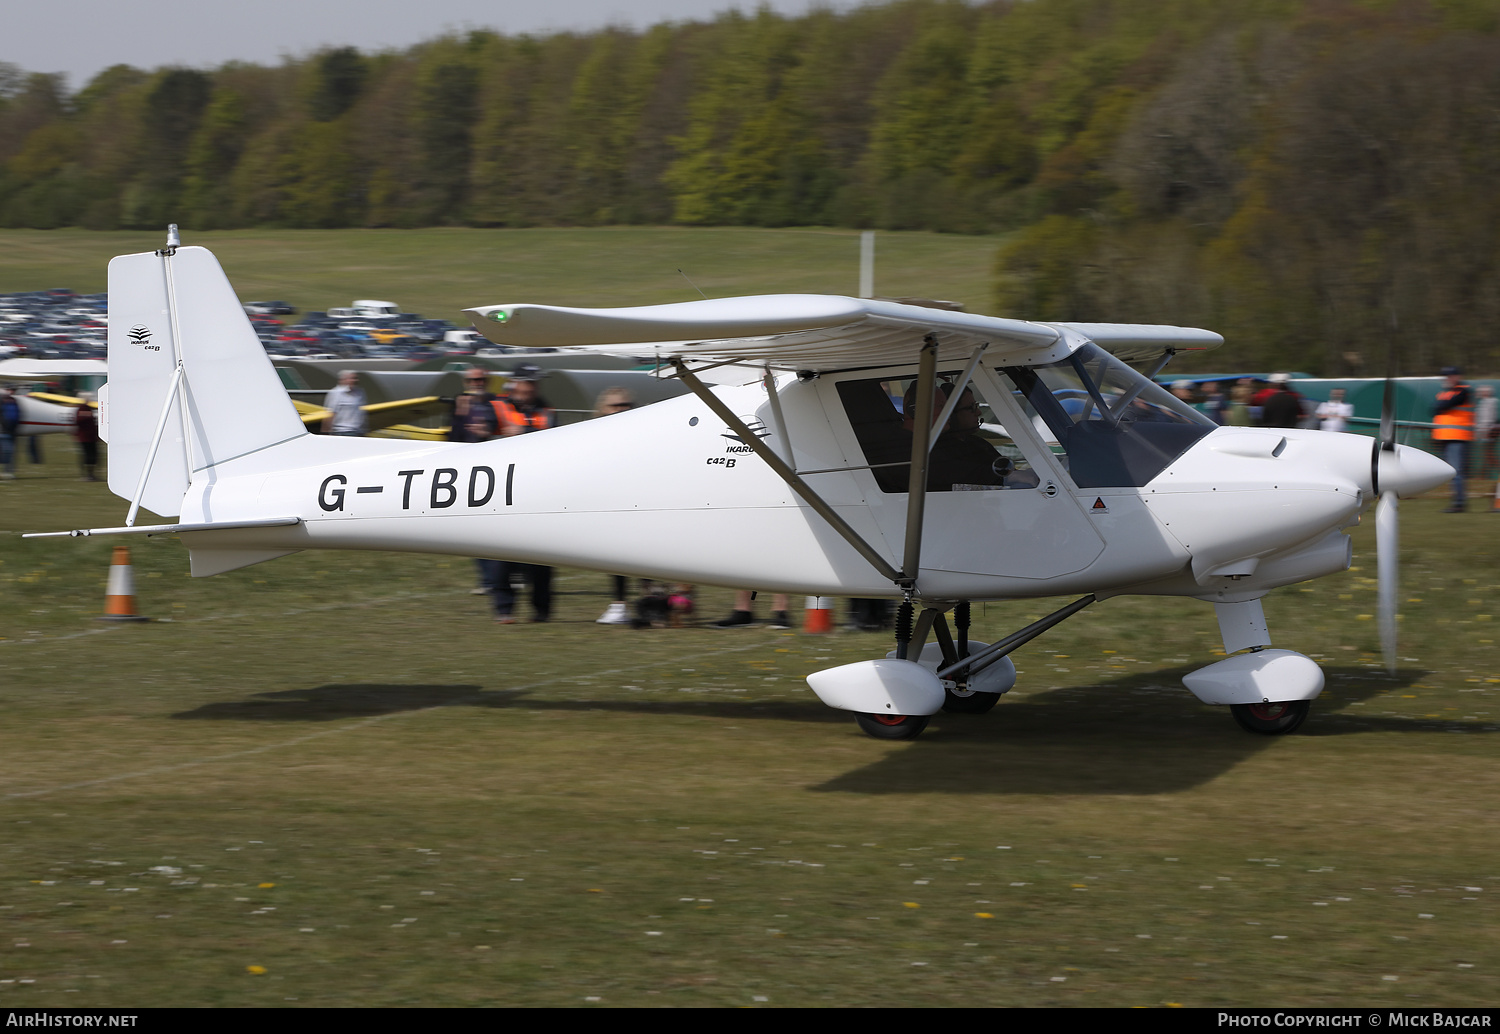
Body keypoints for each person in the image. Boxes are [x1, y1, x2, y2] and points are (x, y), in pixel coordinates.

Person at [490, 365, 557, 623]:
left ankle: (542, 610)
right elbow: (481, 434)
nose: (532, 387)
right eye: (528, 382)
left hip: (536, 490)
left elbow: (554, 439)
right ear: (514, 383)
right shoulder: (496, 407)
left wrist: (523, 433)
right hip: (501, 490)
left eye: (535, 383)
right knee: (500, 555)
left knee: (542, 556)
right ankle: (504, 609)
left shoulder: (547, 411)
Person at [449, 367, 502, 595]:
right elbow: (453, 436)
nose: (476, 383)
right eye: (472, 379)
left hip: (494, 470)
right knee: (474, 529)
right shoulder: (460, 405)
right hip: (467, 472)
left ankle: (502, 578)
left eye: (480, 379)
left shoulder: (496, 403)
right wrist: (461, 415)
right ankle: (489, 581)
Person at [591, 387, 637, 625]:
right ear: (602, 410)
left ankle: (658, 604)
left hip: (638, 502)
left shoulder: (641, 433)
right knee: (617, 557)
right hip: (611, 505)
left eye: (625, 405)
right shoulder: (592, 435)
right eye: (615, 406)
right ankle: (619, 605)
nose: (621, 410)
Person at [1432, 366, 1473, 512]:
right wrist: (1441, 406)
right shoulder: (1445, 393)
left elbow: (1445, 405)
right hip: (1444, 437)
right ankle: (1457, 501)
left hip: (1457, 437)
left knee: (1456, 471)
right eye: (1445, 376)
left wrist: (1441, 406)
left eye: (1449, 376)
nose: (1447, 379)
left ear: (1457, 376)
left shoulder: (1463, 391)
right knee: (1451, 472)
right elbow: (1434, 408)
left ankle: (1459, 503)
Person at [322, 370, 368, 436]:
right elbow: (330, 414)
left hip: (359, 431)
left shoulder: (360, 392)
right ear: (344, 380)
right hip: (342, 431)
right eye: (352, 378)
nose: (355, 380)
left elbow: (362, 413)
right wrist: (326, 433)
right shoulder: (336, 393)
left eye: (356, 378)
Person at [1473, 384, 1498, 482]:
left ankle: (1483, 475)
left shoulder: (1490, 402)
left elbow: (1488, 418)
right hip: (1485, 431)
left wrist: (1485, 430)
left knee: (1488, 454)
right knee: (1486, 454)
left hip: (1488, 431)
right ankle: (1482, 476)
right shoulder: (1483, 402)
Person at [74, 392, 99, 481]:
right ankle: (88, 475)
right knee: (88, 456)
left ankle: (90, 474)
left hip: (90, 437)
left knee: (93, 456)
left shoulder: (86, 409)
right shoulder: (83, 409)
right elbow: (79, 421)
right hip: (85, 438)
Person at [0, 386, 18, 480]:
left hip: (11, 432)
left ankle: (9, 473)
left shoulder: (14, 401)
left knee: (9, 453)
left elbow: (18, 415)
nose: (11, 392)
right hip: (3, 431)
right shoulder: (2, 401)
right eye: (9, 390)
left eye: (13, 390)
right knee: (6, 453)